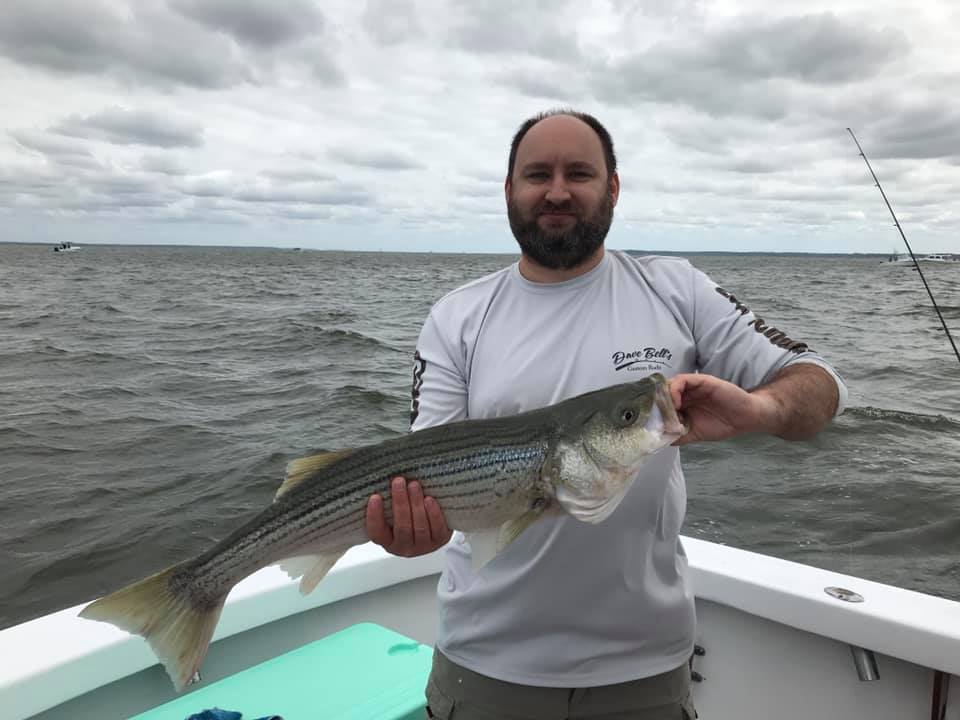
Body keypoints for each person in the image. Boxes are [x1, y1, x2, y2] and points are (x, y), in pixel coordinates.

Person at [365, 109, 847, 719]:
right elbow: (428, 473)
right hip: (484, 667)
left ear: (613, 187)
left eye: (580, 173)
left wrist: (762, 408)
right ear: (508, 190)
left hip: (646, 667)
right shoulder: (458, 317)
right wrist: (412, 530)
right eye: (537, 174)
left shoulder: (677, 290)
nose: (558, 191)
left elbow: (821, 383)